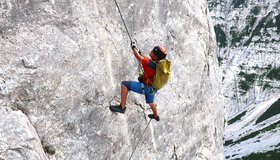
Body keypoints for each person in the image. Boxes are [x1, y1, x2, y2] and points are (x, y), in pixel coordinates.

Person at [109, 42, 167, 121]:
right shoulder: (158, 64)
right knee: (150, 101)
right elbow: (148, 59)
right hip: (153, 88)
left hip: (147, 88)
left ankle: (122, 107)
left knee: (125, 84)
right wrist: (140, 52)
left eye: (153, 51)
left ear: (155, 56)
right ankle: (156, 116)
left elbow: (138, 57)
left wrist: (133, 48)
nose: (151, 51)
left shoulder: (148, 62)